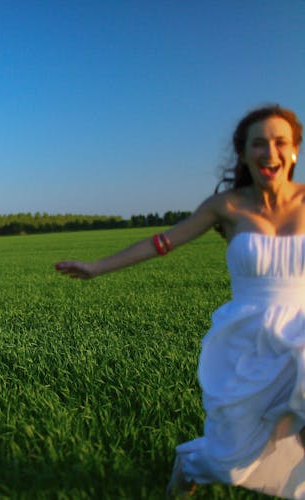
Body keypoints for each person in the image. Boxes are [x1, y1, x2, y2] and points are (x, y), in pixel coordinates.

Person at [55, 105, 305, 498]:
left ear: (294, 151)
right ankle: (190, 465)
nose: (270, 153)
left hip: (302, 334)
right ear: (243, 153)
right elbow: (162, 243)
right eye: (259, 143)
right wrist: (96, 267)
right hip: (249, 341)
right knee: (228, 459)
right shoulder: (226, 206)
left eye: (280, 143)